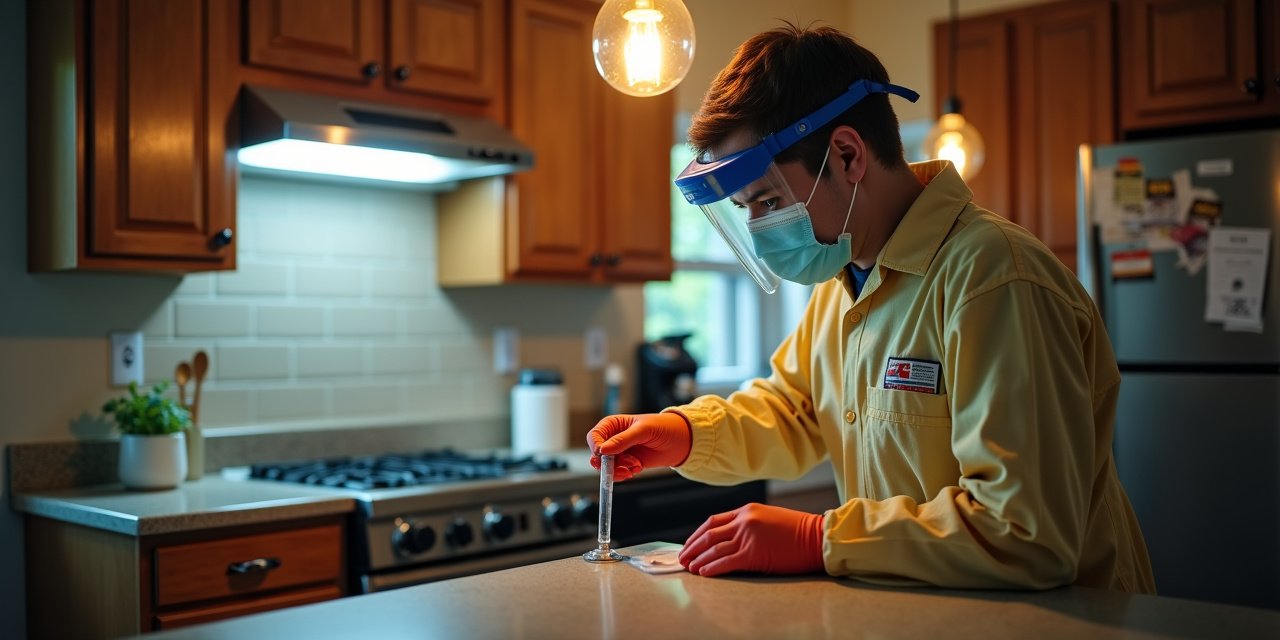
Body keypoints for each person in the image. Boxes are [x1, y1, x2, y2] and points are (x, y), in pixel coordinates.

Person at [587, 24, 1155, 592]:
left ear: (847, 154)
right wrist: (683, 432)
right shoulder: (844, 280)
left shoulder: (994, 278)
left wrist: (820, 538)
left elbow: (1025, 531)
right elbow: (795, 410)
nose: (760, 228)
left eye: (767, 200)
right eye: (747, 209)